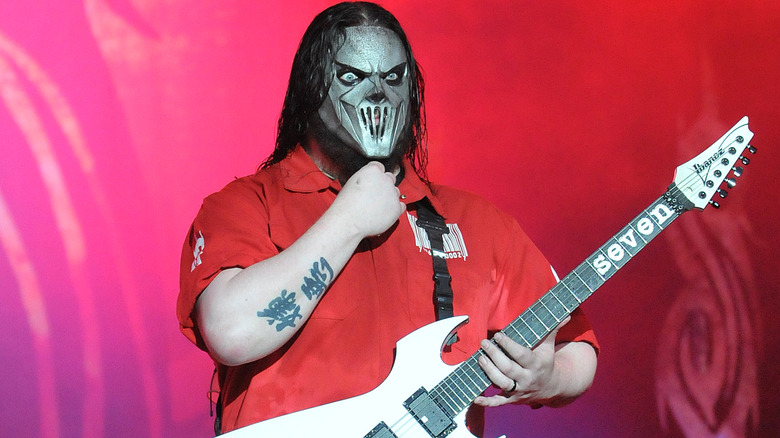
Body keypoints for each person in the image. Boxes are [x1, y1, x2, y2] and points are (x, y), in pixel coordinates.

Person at [177, 1, 598, 435]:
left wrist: (548, 378)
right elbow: (232, 333)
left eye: (393, 77)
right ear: (312, 86)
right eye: (352, 77)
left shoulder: (476, 221)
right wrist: (348, 220)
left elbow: (575, 346)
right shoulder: (247, 204)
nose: (378, 94)